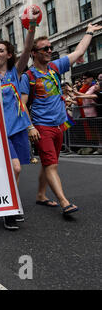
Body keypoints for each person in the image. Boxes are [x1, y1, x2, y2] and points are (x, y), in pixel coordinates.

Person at [20, 22, 102, 216]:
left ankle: (41, 195)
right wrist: (30, 127)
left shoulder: (56, 67)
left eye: (50, 47)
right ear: (34, 53)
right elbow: (22, 104)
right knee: (52, 164)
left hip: (60, 124)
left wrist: (89, 31)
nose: (50, 50)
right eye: (45, 48)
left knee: (50, 162)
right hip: (42, 126)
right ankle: (64, 201)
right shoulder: (28, 76)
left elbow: (80, 49)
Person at [0, 9, 39, 230]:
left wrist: (31, 25)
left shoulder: (15, 73)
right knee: (14, 169)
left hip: (17, 129)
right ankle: (10, 208)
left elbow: (26, 49)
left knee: (15, 169)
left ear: (8, 55)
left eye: (1, 50)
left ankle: (11, 204)